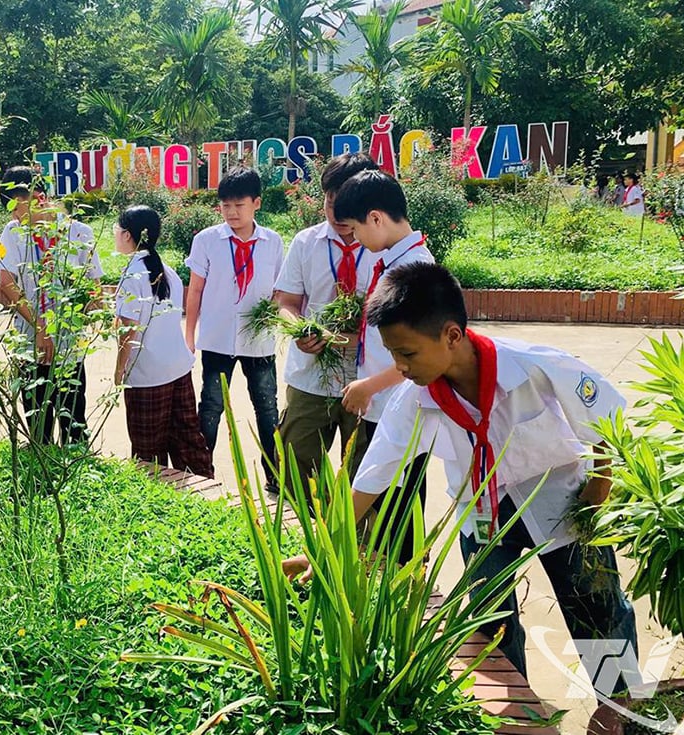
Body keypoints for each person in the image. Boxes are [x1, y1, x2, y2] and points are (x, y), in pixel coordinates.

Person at [289, 261, 639, 695]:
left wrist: (598, 487)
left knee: (593, 605)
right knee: (489, 617)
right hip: (481, 510)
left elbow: (609, 417)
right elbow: (369, 480)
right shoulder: (413, 400)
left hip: (562, 501)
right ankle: (519, 712)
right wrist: (325, 547)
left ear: (452, 335)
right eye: (393, 354)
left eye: (408, 353)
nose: (399, 366)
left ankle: (620, 705)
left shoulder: (535, 367)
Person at [332, 169, 434, 562]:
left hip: (401, 406)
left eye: (356, 228)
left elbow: (422, 356)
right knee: (386, 498)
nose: (355, 238)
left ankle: (405, 579)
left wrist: (368, 386)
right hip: (386, 404)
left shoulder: (415, 272)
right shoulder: (393, 262)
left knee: (400, 504)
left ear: (376, 218)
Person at [272, 152, 382, 494]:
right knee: (295, 469)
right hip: (311, 379)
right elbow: (285, 303)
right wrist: (300, 330)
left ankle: (359, 547)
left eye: (344, 204)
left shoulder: (386, 248)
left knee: (366, 477)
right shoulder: (306, 243)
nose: (335, 214)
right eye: (329, 202)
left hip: (369, 381)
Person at [184, 167, 285, 488]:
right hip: (217, 340)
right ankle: (201, 471)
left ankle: (275, 475)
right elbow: (196, 290)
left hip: (260, 342)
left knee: (267, 409)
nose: (231, 213)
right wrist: (190, 335)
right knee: (211, 407)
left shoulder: (273, 242)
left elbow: (280, 292)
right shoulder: (207, 240)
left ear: (257, 203)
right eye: (225, 206)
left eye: (239, 205)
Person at [0, 165, 103, 445]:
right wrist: (40, 326)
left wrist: (87, 312)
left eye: (18, 206)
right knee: (37, 410)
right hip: (29, 333)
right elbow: (7, 282)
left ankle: (75, 463)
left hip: (68, 335)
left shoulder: (78, 232)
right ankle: (41, 464)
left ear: (39, 197)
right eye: (11, 209)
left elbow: (93, 285)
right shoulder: (12, 232)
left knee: (73, 409)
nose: (15, 215)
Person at [114, 205, 214, 478]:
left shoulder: (133, 275)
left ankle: (155, 502)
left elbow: (128, 332)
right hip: (178, 368)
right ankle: (205, 492)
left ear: (126, 235)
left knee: (148, 449)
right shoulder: (167, 270)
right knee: (187, 439)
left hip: (148, 376)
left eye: (117, 229)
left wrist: (118, 371)